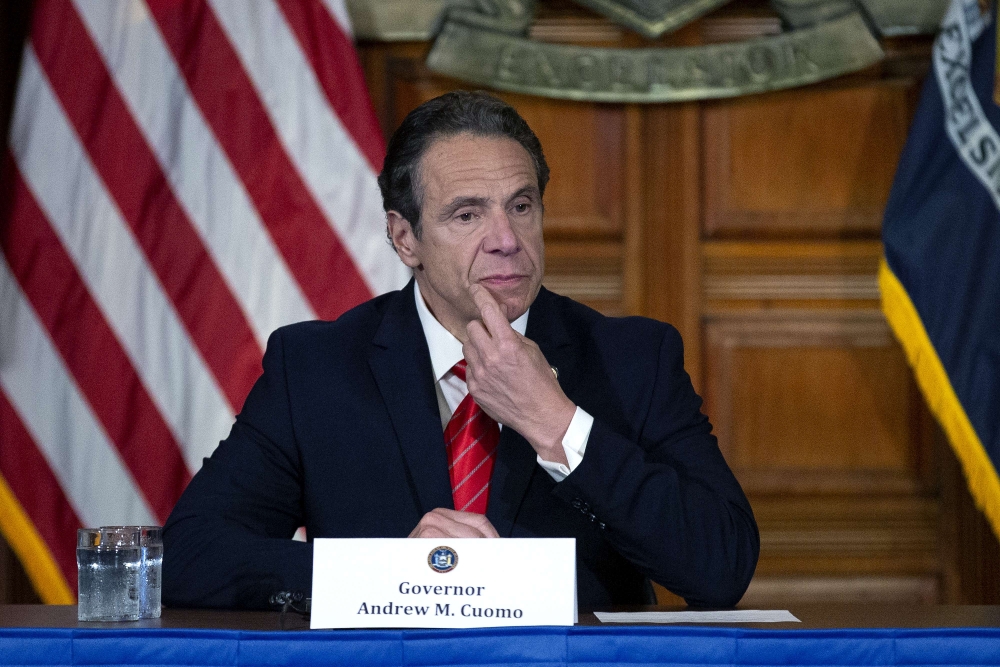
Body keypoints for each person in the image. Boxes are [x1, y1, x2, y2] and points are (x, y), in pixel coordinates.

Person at [162, 91, 759, 610]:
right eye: (467, 214)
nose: (506, 240)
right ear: (404, 238)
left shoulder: (632, 359)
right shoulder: (317, 368)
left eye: (521, 206)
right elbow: (189, 555)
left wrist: (559, 426)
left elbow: (721, 566)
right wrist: (394, 576)